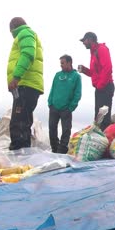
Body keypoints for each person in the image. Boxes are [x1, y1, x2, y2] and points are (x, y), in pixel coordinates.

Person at [7, 17, 43, 150]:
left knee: (18, 122)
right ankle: (24, 154)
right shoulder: (30, 34)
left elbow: (27, 54)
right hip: (29, 85)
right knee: (24, 121)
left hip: (25, 84)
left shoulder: (24, 33)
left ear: (13, 28)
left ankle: (18, 155)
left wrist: (16, 77)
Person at [78, 32, 114, 131]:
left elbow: (107, 68)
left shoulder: (101, 49)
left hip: (105, 86)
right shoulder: (93, 53)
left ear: (90, 39)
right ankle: (100, 139)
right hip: (100, 87)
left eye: (84, 40)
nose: (83, 43)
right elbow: (95, 73)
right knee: (98, 117)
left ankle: (105, 140)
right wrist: (85, 70)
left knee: (104, 118)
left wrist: (100, 85)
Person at [48, 55, 82, 153]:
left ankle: (62, 150)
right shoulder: (57, 75)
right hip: (54, 107)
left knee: (66, 130)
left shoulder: (76, 76)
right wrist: (50, 102)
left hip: (66, 108)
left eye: (63, 63)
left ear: (69, 63)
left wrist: (71, 107)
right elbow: (52, 89)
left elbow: (78, 93)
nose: (61, 65)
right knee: (52, 129)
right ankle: (54, 149)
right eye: (60, 63)